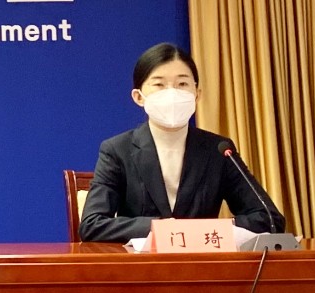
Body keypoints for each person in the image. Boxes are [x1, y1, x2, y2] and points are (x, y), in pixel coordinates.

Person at [79, 42, 286, 243]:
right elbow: (92, 224)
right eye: (159, 84)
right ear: (138, 97)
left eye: (182, 84)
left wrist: (211, 230)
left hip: (202, 262)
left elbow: (270, 219)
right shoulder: (117, 150)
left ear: (197, 94)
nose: (172, 93)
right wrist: (160, 229)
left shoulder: (218, 149)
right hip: (141, 263)